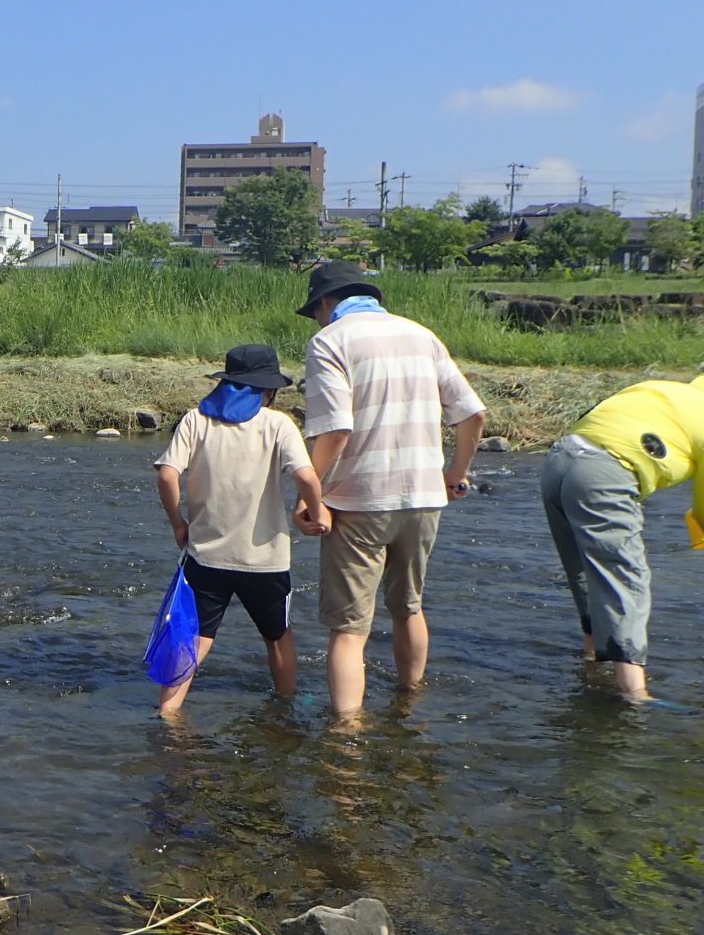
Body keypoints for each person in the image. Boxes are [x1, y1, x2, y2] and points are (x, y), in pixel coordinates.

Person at [297, 261, 486, 716]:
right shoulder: (422, 335)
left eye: (316, 311)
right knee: (408, 606)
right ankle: (410, 705)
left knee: (349, 630)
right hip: (424, 495)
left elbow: (337, 429)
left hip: (358, 500)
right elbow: (473, 415)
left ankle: (347, 735)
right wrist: (454, 476)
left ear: (327, 302)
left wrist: (311, 495)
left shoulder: (330, 341)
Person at [540, 364, 704, 703]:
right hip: (603, 474)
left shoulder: (661, 389)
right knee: (627, 577)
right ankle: (635, 693)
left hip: (559, 460)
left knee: (584, 570)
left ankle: (592, 661)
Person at [153, 344, 330, 714]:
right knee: (278, 636)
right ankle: (283, 706)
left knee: (194, 638)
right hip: (265, 561)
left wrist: (177, 522)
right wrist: (317, 513)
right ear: (268, 392)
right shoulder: (277, 424)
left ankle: (168, 712)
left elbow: (168, 474)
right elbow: (307, 478)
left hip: (207, 556)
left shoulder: (195, 420)